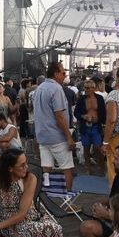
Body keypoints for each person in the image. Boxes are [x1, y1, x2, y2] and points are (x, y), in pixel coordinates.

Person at [34, 61, 77, 190]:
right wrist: (69, 137)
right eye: (63, 73)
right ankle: (68, 198)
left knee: (46, 167)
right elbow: (59, 115)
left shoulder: (40, 88)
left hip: (42, 135)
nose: (65, 75)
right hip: (56, 136)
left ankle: (45, 197)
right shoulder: (56, 88)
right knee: (67, 168)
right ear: (56, 74)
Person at [74, 78, 106, 167]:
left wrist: (104, 123)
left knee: (97, 148)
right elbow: (76, 112)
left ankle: (101, 167)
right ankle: (88, 169)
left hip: (96, 126)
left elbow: (103, 112)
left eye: (88, 88)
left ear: (93, 88)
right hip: (85, 126)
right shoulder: (81, 99)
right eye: (85, 88)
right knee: (86, 148)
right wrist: (83, 116)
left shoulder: (99, 98)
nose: (86, 90)